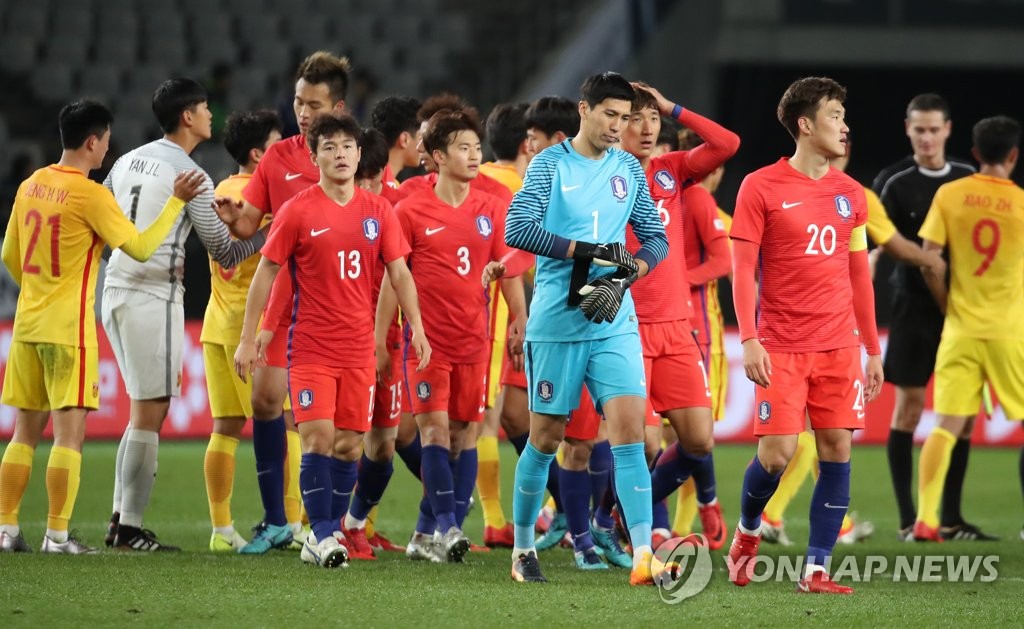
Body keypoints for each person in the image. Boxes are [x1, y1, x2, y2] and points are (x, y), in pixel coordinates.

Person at [0, 99, 202, 554]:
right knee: (69, 435)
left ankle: (7, 530)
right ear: (92, 142)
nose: (108, 150)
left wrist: (40, 290)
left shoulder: (31, 184)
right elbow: (141, 248)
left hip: (25, 326)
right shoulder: (91, 195)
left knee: (23, 433)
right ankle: (56, 535)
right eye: (106, 142)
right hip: (68, 330)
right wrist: (176, 202)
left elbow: (10, 256)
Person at [235, 113, 429, 568]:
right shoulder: (297, 210)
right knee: (318, 439)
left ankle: (328, 529)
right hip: (311, 348)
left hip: (359, 350)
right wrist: (250, 337)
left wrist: (417, 326)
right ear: (314, 156)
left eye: (347, 147)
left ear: (359, 155)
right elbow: (267, 273)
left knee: (348, 447)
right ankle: (321, 533)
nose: (340, 155)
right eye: (329, 147)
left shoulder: (378, 211)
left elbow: (400, 273)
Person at [502, 71, 671, 585]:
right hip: (557, 321)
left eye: (626, 117)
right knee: (545, 438)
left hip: (613, 316)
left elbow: (656, 238)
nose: (618, 127)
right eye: (610, 115)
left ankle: (643, 554)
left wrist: (629, 273)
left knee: (632, 432)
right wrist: (588, 252)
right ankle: (522, 548)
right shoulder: (549, 164)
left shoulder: (629, 169)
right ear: (584, 111)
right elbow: (518, 228)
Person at [727, 76, 883, 594]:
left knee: (837, 449)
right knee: (776, 456)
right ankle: (748, 530)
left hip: (838, 345)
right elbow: (742, 269)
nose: (844, 125)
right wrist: (749, 337)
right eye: (835, 115)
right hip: (781, 345)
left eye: (843, 115)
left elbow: (858, 275)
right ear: (806, 124)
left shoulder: (850, 194)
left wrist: (871, 349)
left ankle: (817, 569)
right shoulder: (760, 186)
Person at [102, 78, 265, 552]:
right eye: (205, 107)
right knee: (150, 410)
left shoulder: (126, 160)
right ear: (187, 116)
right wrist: (268, 237)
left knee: (141, 410)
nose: (211, 114)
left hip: (114, 288)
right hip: (154, 294)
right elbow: (225, 253)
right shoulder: (192, 176)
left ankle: (119, 519)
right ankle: (130, 528)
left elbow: (103, 214)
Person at [758, 140, 942, 546]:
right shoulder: (842, 193)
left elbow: (868, 258)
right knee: (811, 436)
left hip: (832, 327)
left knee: (827, 437)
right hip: (809, 328)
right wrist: (933, 259)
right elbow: (897, 246)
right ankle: (770, 514)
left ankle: (811, 527)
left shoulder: (849, 195)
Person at [213, 51, 350, 553]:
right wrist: (235, 218)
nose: (303, 113)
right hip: (284, 305)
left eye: (314, 104)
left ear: (337, 106)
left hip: (340, 307)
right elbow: (251, 223)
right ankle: (277, 522)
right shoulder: (277, 158)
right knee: (266, 402)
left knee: (346, 432)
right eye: (298, 102)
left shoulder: (350, 156)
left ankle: (339, 523)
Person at [377, 108, 526, 563]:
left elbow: (506, 269)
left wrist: (519, 317)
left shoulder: (492, 208)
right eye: (464, 148)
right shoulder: (410, 209)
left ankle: (424, 534)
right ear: (439, 156)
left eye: (477, 147)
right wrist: (382, 337)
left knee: (463, 435)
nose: (474, 155)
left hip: (474, 342)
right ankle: (448, 526)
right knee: (435, 432)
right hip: (426, 344)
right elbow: (393, 279)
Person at [621, 93, 738, 555]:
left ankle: (618, 512)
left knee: (699, 440)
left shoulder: (670, 171)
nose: (647, 127)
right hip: (627, 326)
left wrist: (673, 108)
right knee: (645, 442)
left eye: (653, 118)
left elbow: (727, 144)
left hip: (677, 326)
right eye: (636, 118)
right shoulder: (601, 175)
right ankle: (642, 528)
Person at [872, 94, 991, 542]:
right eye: (918, 129)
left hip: (963, 310)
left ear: (947, 130)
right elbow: (877, 241)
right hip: (913, 308)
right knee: (910, 409)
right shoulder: (893, 181)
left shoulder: (967, 179)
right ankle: (909, 519)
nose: (926, 137)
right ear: (908, 129)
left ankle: (953, 518)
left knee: (963, 415)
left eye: (933, 129)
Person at [913, 116, 1024, 541]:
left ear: (975, 153)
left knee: (947, 425)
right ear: (1013, 156)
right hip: (1010, 332)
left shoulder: (951, 194)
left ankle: (926, 519)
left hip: (959, 330)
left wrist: (949, 306)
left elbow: (930, 262)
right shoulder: (1020, 203)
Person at [201, 109, 282, 552]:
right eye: (276, 145)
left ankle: (221, 530)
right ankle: (292, 523)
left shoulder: (220, 190)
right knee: (288, 422)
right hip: (252, 329)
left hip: (216, 321)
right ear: (257, 154)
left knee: (225, 427)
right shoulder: (259, 198)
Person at [476, 101, 531, 548]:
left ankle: (495, 516)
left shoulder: (472, 178)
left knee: (498, 419)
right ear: (529, 143)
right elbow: (525, 261)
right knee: (495, 419)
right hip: (500, 320)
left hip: (460, 316)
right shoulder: (521, 188)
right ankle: (500, 517)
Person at [370, 95, 422, 188]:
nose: (423, 147)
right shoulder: (372, 185)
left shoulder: (395, 185)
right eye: (420, 138)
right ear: (404, 139)